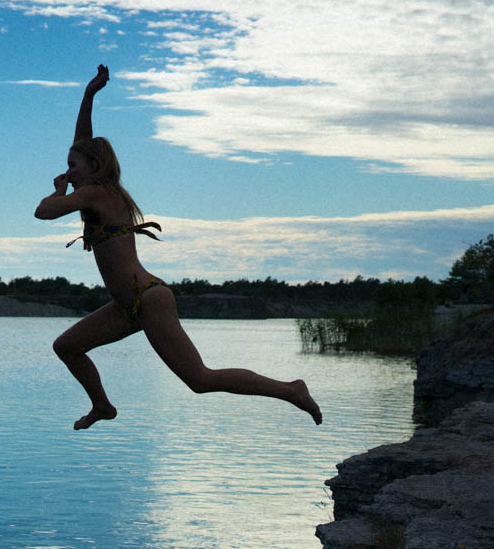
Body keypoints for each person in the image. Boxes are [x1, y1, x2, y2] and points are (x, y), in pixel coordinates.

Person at [35, 64, 323, 430]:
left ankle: (291, 390)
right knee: (67, 347)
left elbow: (43, 211)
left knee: (200, 379)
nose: (68, 172)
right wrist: (89, 95)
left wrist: (58, 192)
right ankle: (103, 406)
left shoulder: (96, 193)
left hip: (148, 299)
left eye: (72, 167)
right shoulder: (96, 189)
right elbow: (82, 143)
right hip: (126, 306)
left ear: (92, 166)